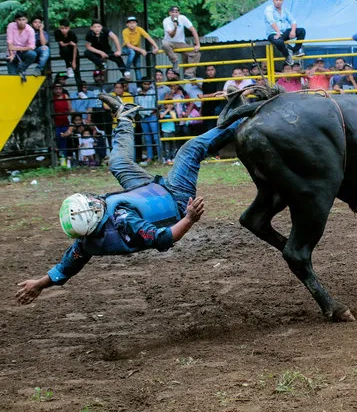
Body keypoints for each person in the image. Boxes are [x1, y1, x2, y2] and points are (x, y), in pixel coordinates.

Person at [15, 93, 244, 305]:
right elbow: (163, 238)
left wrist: (39, 284)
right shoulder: (125, 220)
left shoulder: (86, 242)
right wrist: (190, 218)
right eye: (93, 203)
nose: (96, 199)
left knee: (118, 163)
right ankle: (242, 119)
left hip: (144, 191)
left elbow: (67, 267)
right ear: (94, 215)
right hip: (175, 198)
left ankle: (125, 116)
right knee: (189, 150)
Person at [264, 0, 306, 66]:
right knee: (279, 42)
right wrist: (278, 32)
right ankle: (287, 56)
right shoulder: (269, 10)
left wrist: (293, 31)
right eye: (276, 0)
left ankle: (295, 51)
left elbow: (293, 21)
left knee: (301, 31)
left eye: (280, 0)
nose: (278, 2)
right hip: (273, 33)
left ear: (282, 0)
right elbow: (271, 21)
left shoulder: (285, 11)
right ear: (273, 0)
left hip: (283, 33)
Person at [162, 5, 201, 77]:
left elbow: (193, 30)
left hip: (180, 43)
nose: (175, 14)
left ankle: (189, 73)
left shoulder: (183, 18)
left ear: (179, 13)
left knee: (197, 53)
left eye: (177, 12)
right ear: (170, 13)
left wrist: (197, 44)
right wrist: (175, 27)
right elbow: (171, 35)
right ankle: (175, 61)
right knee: (164, 44)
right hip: (169, 43)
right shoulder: (166, 21)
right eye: (173, 12)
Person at [122, 16, 159, 81]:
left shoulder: (139, 29)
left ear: (136, 24)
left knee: (138, 68)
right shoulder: (125, 31)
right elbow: (128, 45)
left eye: (134, 22)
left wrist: (156, 46)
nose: (132, 24)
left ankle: (139, 87)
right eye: (130, 23)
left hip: (136, 49)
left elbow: (148, 37)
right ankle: (127, 70)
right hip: (127, 48)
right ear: (127, 24)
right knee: (132, 52)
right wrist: (141, 50)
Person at [6, 11, 36, 81]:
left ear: (26, 20)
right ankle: (20, 73)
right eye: (19, 20)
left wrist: (17, 48)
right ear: (16, 20)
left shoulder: (30, 30)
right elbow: (9, 41)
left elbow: (32, 47)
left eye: (23, 19)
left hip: (23, 53)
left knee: (32, 54)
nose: (21, 22)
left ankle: (20, 69)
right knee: (12, 79)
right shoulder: (11, 26)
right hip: (11, 53)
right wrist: (12, 54)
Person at [54, 19, 81, 86]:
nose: (64, 30)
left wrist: (74, 61)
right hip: (64, 51)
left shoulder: (72, 34)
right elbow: (62, 44)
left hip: (73, 52)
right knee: (65, 49)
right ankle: (68, 66)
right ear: (59, 28)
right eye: (62, 28)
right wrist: (69, 43)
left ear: (69, 28)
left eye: (66, 28)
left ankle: (80, 91)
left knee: (77, 72)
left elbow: (75, 47)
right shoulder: (57, 32)